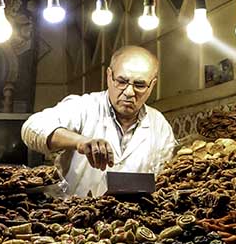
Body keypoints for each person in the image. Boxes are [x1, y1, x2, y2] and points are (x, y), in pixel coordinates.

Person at [21, 45, 176, 197]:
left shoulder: (159, 126)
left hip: (133, 219)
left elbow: (165, 180)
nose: (129, 92)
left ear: (152, 85)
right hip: (75, 215)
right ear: (109, 76)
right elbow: (31, 128)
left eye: (140, 85)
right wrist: (80, 142)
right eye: (121, 81)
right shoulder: (84, 107)